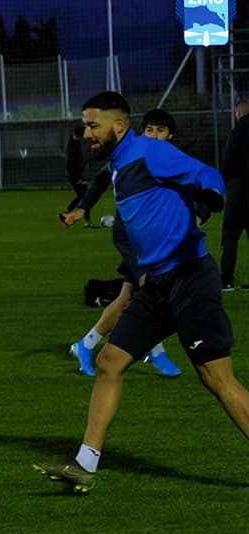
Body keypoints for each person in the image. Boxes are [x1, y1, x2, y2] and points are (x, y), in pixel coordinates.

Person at [36, 92, 249, 494]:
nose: (87, 133)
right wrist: (82, 207)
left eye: (93, 125)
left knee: (216, 378)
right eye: (85, 125)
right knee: (109, 361)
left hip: (189, 277)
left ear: (118, 126)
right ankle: (85, 465)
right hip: (156, 285)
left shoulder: (150, 152)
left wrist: (203, 206)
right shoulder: (118, 164)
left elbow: (209, 177)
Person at [64, 108, 184, 378]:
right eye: (149, 130)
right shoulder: (129, 156)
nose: (154, 135)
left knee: (128, 296)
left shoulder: (172, 161)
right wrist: (82, 209)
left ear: (170, 135)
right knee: (152, 293)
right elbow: (99, 182)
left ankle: (86, 345)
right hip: (130, 236)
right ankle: (155, 352)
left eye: (160, 131)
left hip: (155, 238)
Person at [220, 99, 249, 291]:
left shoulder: (239, 130)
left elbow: (229, 160)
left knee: (230, 235)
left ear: (240, 110)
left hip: (239, 191)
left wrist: (226, 181)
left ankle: (227, 280)